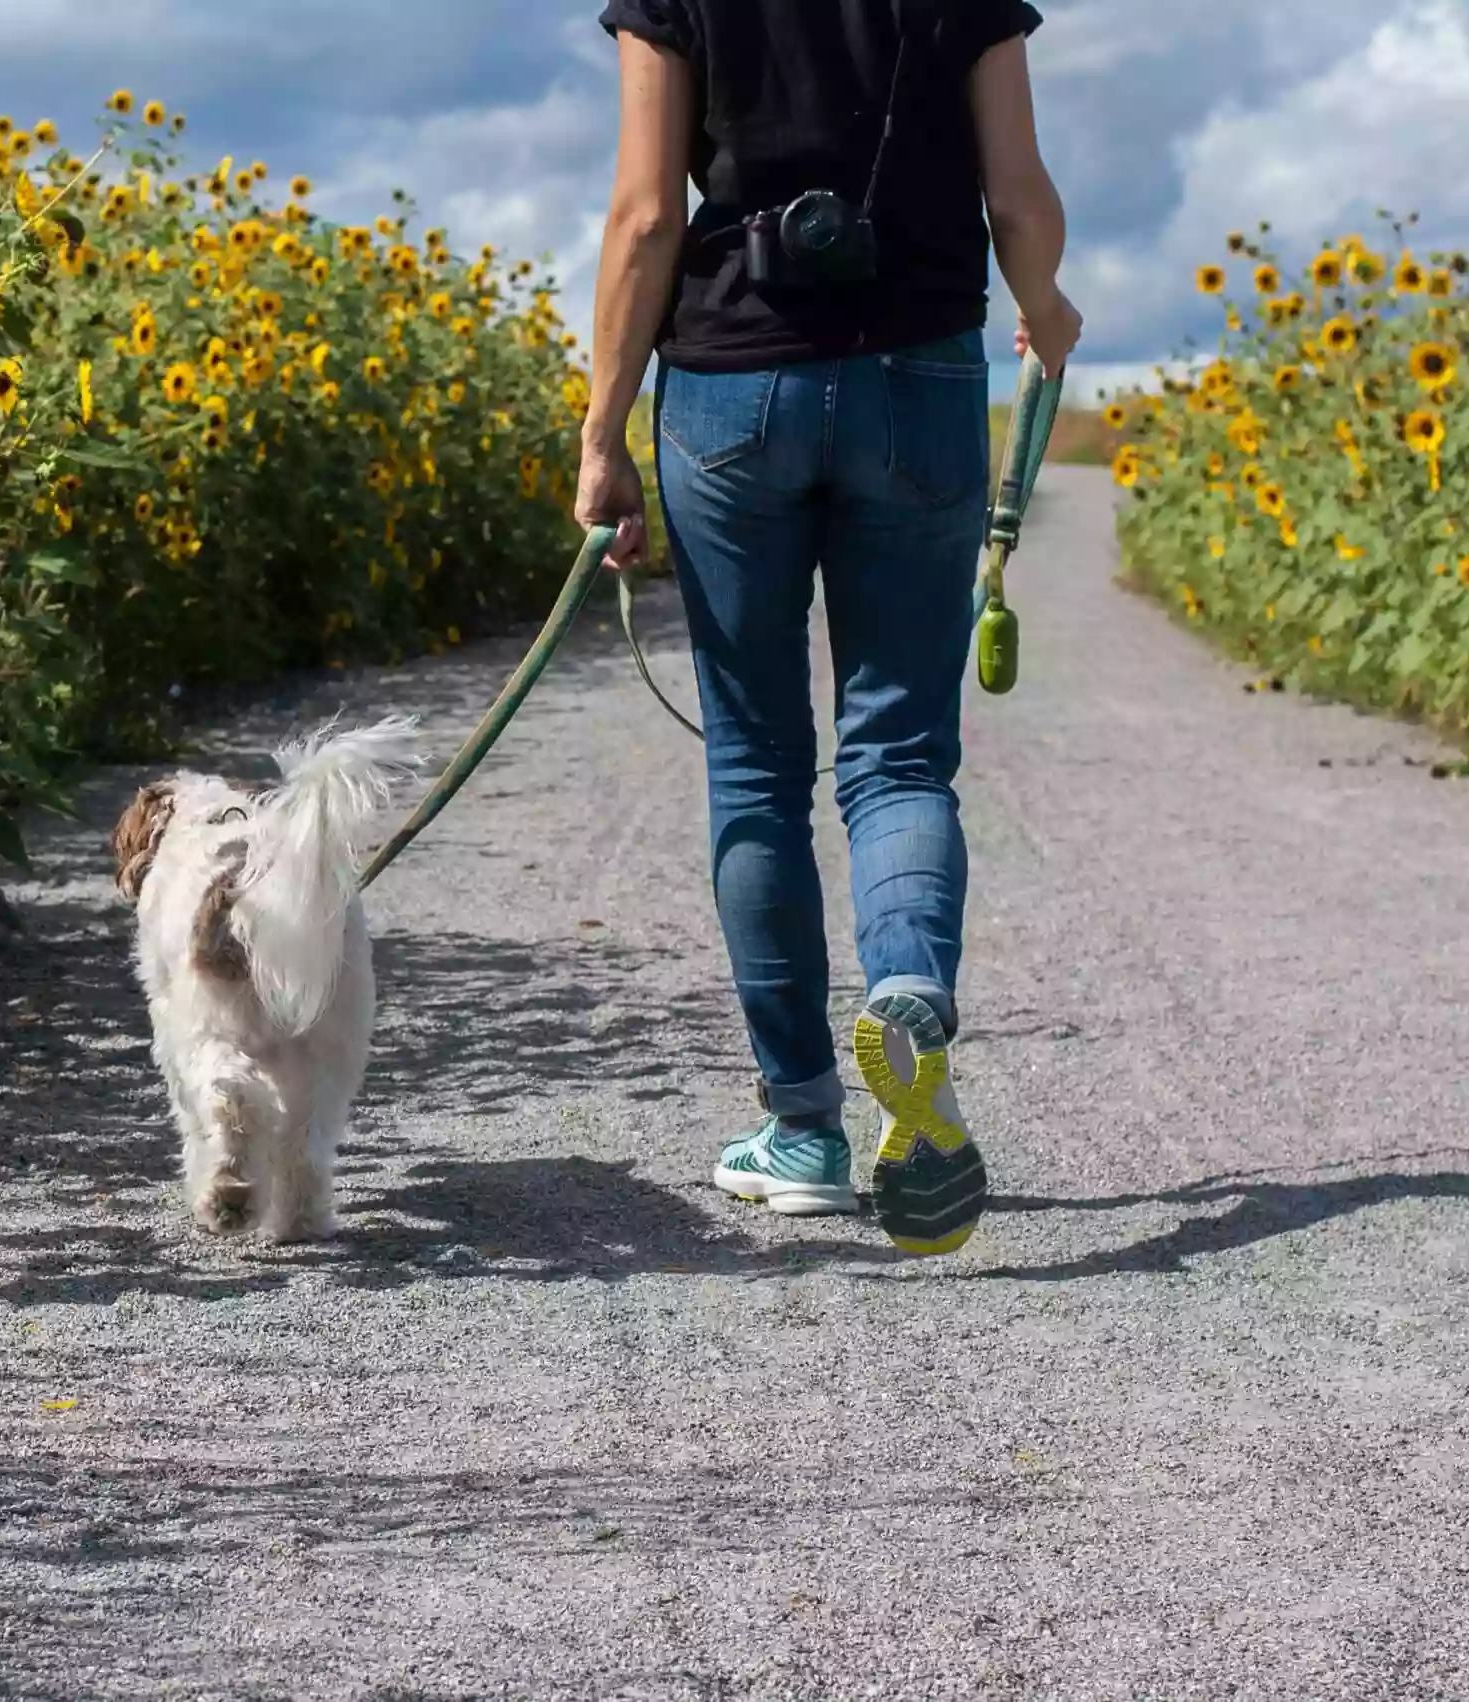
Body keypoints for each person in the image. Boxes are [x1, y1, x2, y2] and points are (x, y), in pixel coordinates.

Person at [577, 0, 1079, 1256]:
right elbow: (1015, 192)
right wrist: (1046, 304)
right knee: (900, 753)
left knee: (753, 763)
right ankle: (907, 985)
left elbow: (644, 214)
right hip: (919, 373)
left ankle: (802, 1131)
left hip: (730, 382)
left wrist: (601, 431)